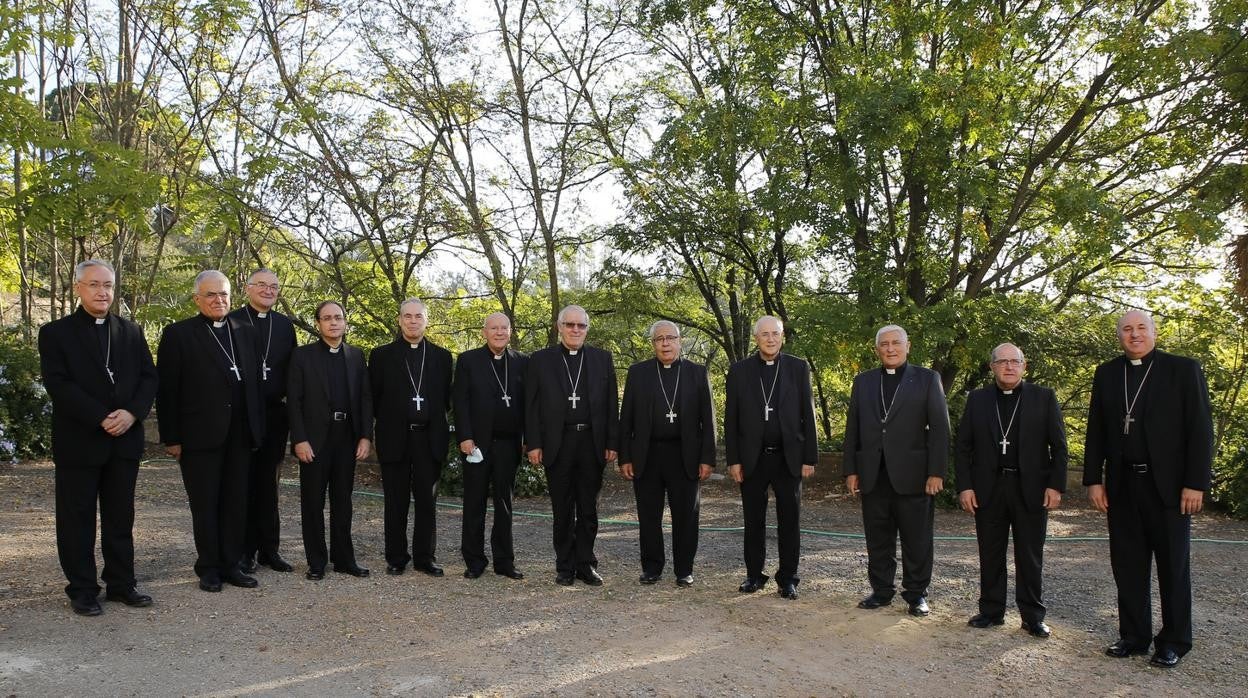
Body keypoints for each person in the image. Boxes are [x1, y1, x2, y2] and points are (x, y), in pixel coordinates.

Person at [1084, 310, 1213, 668]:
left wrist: (1195, 483)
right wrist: (1094, 478)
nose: (1134, 334)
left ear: (1154, 332)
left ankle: (1174, 641)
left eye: (1141, 328)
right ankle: (1134, 635)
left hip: (1170, 490)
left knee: (1173, 566)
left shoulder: (1183, 369)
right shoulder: (1107, 373)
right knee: (1127, 565)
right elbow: (1096, 428)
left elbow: (1201, 430)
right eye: (1127, 329)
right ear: (1119, 336)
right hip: (1123, 486)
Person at [38, 259, 159, 616]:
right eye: (94, 285)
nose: (102, 291)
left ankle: (122, 583)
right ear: (78, 288)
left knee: (120, 516)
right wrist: (101, 417)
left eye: (107, 285)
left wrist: (131, 413)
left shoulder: (131, 331)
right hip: (80, 439)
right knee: (77, 518)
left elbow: (149, 378)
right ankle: (83, 589)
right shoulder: (56, 333)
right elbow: (58, 384)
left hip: (124, 439)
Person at [157, 270, 265, 592]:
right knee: (205, 503)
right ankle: (208, 568)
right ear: (197, 299)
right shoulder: (178, 334)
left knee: (236, 502)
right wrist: (171, 437)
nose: (219, 300)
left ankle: (232, 564)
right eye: (211, 295)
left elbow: (255, 388)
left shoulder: (245, 331)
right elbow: (167, 390)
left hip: (240, 435)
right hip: (199, 436)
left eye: (224, 294)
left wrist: (257, 431)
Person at [955, 343, 1067, 638]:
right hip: (988, 489)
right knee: (990, 552)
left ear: (1024, 366)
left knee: (1029, 555)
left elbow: (1059, 447)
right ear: (992, 367)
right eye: (1001, 362)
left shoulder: (1044, 397)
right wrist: (965, 486)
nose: (1008, 366)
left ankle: (1032, 616)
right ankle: (991, 611)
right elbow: (963, 446)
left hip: (1030, 488)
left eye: (1014, 361)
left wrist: (1055, 485)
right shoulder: (978, 399)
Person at [843, 324, 949, 616]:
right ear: (877, 349)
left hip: (915, 476)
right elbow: (853, 428)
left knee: (917, 540)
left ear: (907, 346)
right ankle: (881, 590)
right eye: (884, 344)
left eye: (895, 343)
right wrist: (851, 469)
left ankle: (916, 595)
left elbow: (940, 429)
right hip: (873, 473)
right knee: (878, 538)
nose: (890, 349)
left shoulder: (927, 379)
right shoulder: (863, 381)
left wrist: (936, 472)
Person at [525, 305, 619, 586]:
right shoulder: (541, 360)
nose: (575, 330)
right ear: (559, 327)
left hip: (592, 442)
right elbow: (531, 406)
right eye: (570, 325)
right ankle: (564, 566)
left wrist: (613, 441)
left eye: (581, 326)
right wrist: (533, 443)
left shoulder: (602, 359)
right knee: (562, 509)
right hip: (558, 442)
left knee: (588, 508)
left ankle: (586, 564)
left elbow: (612, 404)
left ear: (587, 329)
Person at [724, 316, 817, 600]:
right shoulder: (739, 371)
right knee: (753, 521)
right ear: (756, 339)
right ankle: (754, 575)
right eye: (764, 334)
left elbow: (808, 414)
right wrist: (734, 460)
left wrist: (809, 457)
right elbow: (732, 419)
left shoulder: (798, 368)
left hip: (788, 457)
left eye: (775, 334)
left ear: (782, 336)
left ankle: (788, 578)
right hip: (753, 458)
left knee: (790, 521)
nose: (770, 339)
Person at [618, 321, 715, 587]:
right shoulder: (638, 373)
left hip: (685, 456)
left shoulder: (697, 373)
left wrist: (707, 458)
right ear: (653, 344)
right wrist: (625, 456)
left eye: (670, 338)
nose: (665, 343)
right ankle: (652, 568)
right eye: (659, 339)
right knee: (649, 516)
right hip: (647, 455)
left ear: (679, 341)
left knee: (686, 516)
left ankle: (684, 569)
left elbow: (708, 420)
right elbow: (626, 418)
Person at [287, 301, 373, 580]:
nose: (333, 322)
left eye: (338, 317)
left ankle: (344, 558)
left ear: (345, 322)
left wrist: (365, 436)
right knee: (312, 502)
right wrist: (299, 439)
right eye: (327, 318)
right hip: (314, 440)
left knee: (343, 501)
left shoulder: (356, 356)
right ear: (318, 323)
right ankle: (316, 561)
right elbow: (294, 402)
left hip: (346, 437)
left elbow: (364, 399)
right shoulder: (302, 356)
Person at [369, 298, 453, 576]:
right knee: (396, 501)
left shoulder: (442, 357)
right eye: (407, 316)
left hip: (429, 439)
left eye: (418, 316)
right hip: (395, 437)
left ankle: (425, 557)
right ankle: (396, 557)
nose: (413, 321)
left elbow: (447, 400)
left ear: (426, 321)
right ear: (399, 320)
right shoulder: (381, 356)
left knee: (427, 502)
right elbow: (374, 398)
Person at [229, 269, 296, 574]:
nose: (268, 290)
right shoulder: (233, 321)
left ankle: (270, 549)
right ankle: (245, 551)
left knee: (269, 484)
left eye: (274, 286)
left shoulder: (284, 325)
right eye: (262, 285)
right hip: (243, 415)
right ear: (248, 288)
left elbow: (293, 372)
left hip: (275, 414)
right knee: (243, 482)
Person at [452, 312, 529, 580]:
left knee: (504, 504)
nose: (499, 332)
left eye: (504, 328)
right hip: (477, 444)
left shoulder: (522, 362)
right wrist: (464, 436)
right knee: (474, 503)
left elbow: (529, 404)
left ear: (510, 331)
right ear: (484, 332)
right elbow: (459, 401)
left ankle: (504, 562)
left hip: (509, 445)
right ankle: (474, 561)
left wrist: (527, 440)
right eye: (493, 328)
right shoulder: (468, 360)